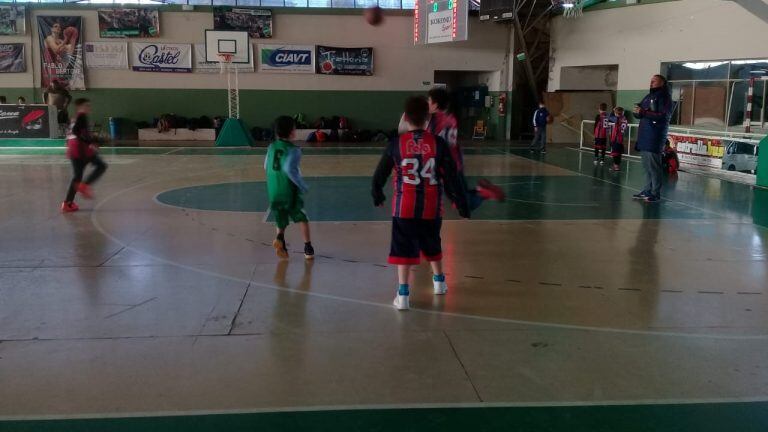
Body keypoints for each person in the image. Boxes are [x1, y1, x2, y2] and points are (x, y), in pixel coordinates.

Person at [372, 96, 470, 311]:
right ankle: (439, 282)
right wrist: (461, 202)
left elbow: (380, 173)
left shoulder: (396, 144)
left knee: (403, 250)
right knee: (432, 242)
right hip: (432, 207)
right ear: (428, 119)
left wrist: (377, 193)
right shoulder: (439, 143)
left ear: (406, 118)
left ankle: (404, 294)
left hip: (403, 207)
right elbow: (452, 177)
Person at [426, 87, 505, 209]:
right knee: (460, 197)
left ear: (435, 105)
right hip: (456, 161)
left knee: (462, 203)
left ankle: (483, 192)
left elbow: (431, 143)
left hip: (447, 166)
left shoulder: (435, 121)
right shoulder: (450, 117)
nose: (427, 103)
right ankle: (481, 190)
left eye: (429, 100)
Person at [265, 116, 314, 260]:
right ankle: (308, 248)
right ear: (292, 132)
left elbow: (265, 166)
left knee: (280, 218)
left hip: (273, 189)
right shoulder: (295, 150)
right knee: (302, 218)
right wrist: (302, 185)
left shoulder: (271, 147)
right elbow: (289, 169)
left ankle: (280, 240)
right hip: (289, 190)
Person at [61, 99, 108, 213]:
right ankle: (84, 186)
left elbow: (76, 133)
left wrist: (93, 140)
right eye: (87, 105)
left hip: (74, 151)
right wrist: (91, 143)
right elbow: (77, 132)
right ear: (80, 107)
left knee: (77, 177)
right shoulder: (82, 116)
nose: (89, 107)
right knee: (101, 166)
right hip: (81, 151)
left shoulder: (75, 118)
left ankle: (67, 203)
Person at [633, 74, 672, 203]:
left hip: (654, 136)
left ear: (662, 83)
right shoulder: (648, 96)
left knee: (654, 166)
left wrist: (643, 112)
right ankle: (647, 190)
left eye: (654, 81)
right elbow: (642, 112)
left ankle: (655, 192)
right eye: (651, 81)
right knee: (647, 166)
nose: (651, 83)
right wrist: (637, 112)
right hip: (645, 135)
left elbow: (662, 115)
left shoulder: (664, 97)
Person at [608, 107, 628, 172]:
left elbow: (609, 117)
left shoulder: (617, 119)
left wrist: (613, 110)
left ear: (616, 113)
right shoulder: (624, 119)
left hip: (616, 138)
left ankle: (616, 166)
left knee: (615, 153)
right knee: (618, 153)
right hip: (621, 138)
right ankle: (617, 165)